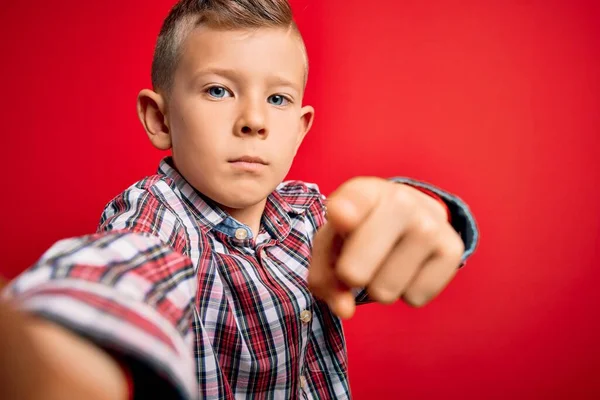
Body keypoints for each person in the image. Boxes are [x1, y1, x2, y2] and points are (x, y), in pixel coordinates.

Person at [1, 0, 479, 399]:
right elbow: (123, 273)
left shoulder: (309, 215)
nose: (254, 120)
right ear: (160, 119)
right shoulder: (158, 222)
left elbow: (385, 238)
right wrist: (46, 351)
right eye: (218, 90)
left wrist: (423, 212)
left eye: (277, 99)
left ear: (299, 130)